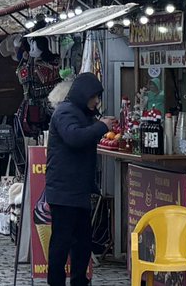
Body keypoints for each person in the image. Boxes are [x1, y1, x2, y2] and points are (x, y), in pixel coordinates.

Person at [45, 72, 116, 286]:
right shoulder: (66, 112)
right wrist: (102, 126)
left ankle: (79, 281)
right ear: (84, 95)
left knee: (82, 243)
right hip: (64, 191)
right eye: (94, 97)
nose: (97, 102)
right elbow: (74, 138)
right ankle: (56, 282)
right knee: (62, 242)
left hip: (77, 190)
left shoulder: (80, 113)